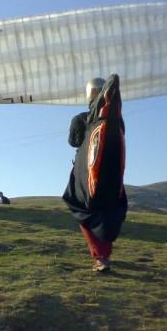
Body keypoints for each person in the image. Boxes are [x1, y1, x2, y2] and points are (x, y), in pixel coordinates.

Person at [62, 75, 127, 272]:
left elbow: (73, 142)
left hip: (84, 173)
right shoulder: (116, 119)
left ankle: (101, 257)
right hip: (112, 174)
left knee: (83, 209)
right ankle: (104, 255)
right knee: (109, 210)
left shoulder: (79, 118)